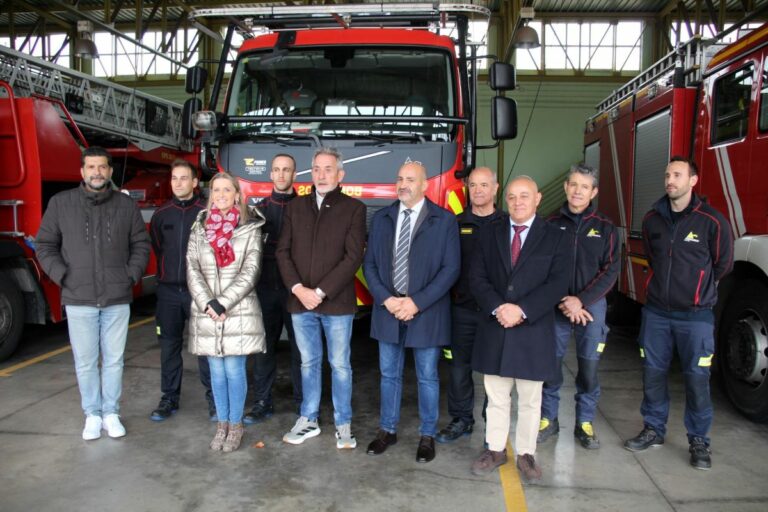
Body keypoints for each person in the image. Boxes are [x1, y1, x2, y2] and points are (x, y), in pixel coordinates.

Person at [624, 156, 733, 470]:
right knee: (653, 375)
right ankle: (653, 429)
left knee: (697, 379)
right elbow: (653, 258)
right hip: (657, 313)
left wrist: (696, 290)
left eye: (677, 174)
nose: (670, 180)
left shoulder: (712, 221)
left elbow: (723, 264)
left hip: (696, 317)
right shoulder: (652, 220)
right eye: (667, 174)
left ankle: (699, 440)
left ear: (693, 181)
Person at [36, 146, 151, 440]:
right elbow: (45, 245)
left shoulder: (126, 207)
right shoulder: (61, 204)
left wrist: (130, 276)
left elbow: (141, 244)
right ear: (82, 171)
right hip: (79, 297)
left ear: (110, 172)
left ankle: (111, 413)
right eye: (91, 167)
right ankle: (92, 414)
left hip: (116, 297)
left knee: (114, 360)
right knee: (85, 361)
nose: (97, 172)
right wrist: (63, 276)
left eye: (102, 167)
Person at [468, 176, 570, 481]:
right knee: (496, 396)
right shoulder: (489, 233)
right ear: (505, 200)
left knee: (529, 399)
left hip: (533, 329)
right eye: (512, 197)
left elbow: (558, 283)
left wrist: (521, 310)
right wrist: (500, 308)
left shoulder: (556, 236)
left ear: (538, 198)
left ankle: (526, 454)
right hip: (496, 325)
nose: (518, 202)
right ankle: (496, 449)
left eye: (524, 196)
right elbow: (477, 278)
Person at [363, 161, 460, 463]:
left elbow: (450, 269)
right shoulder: (382, 218)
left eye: (410, 179)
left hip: (426, 311)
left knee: (427, 376)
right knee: (388, 374)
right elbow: (370, 265)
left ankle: (427, 434)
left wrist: (416, 302)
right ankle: (387, 430)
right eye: (400, 178)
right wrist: (386, 299)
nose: (403, 184)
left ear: (425, 185)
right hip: (388, 309)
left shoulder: (444, 221)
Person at [276, 147, 366, 449]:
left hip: (337, 304)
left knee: (340, 365)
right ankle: (308, 420)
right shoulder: (295, 207)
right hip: (300, 303)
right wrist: (299, 289)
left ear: (340, 174)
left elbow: (353, 258)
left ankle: (343, 423)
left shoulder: (354, 209)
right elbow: (282, 252)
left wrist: (320, 292)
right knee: (308, 363)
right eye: (316, 169)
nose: (322, 174)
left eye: (328, 169)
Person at [537, 164, 620, 449]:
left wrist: (581, 300)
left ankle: (584, 421)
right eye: (573, 184)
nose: (577, 191)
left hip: (591, 307)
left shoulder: (606, 228)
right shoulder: (549, 224)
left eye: (584, 187)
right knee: (551, 365)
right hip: (557, 305)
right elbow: (543, 268)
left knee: (589, 367)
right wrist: (563, 300)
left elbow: (610, 270)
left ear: (593, 191)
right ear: (565, 187)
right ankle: (548, 418)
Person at [186, 172, 266, 452]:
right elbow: (192, 268)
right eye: (216, 190)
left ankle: (236, 424)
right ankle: (222, 423)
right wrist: (208, 302)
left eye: (226, 190)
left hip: (237, 310)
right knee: (216, 373)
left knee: (234, 370)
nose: (220, 195)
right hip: (207, 311)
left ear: (236, 195)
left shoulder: (249, 228)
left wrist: (223, 302)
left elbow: (251, 270)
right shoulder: (199, 228)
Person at [436, 166, 504, 444]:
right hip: (461, 311)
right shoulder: (455, 224)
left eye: (484, 185)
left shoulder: (507, 224)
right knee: (459, 368)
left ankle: (493, 423)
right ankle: (461, 419)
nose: (477, 190)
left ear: (495, 189)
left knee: (494, 371)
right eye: (473, 185)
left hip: (495, 314)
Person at [148, 159, 215, 422]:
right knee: (168, 347)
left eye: (184, 178)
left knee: (205, 349)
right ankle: (169, 399)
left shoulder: (206, 214)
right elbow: (158, 248)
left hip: (199, 293)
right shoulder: (161, 215)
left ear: (195, 182)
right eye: (174, 178)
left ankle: (214, 400)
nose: (178, 183)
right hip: (168, 293)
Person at [244, 154, 302, 424]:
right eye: (276, 169)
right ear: (270, 174)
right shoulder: (257, 211)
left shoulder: (306, 208)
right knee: (263, 351)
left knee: (301, 352)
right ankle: (262, 403)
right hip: (265, 291)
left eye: (286, 170)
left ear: (295, 174)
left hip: (297, 294)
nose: (281, 175)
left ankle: (305, 404)